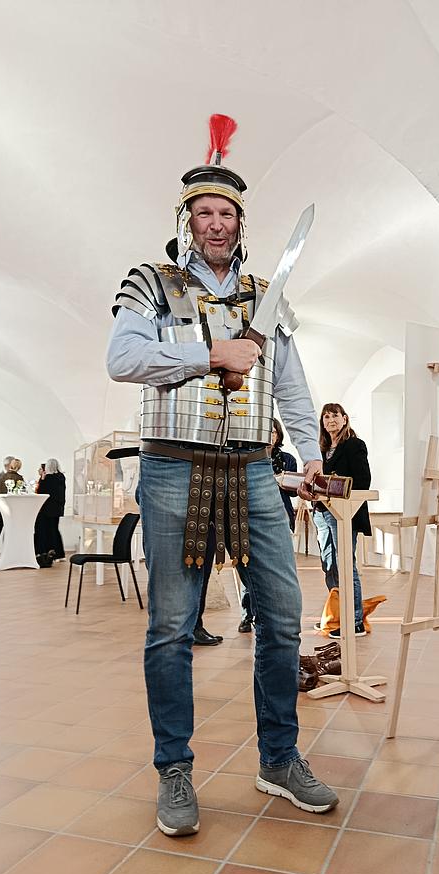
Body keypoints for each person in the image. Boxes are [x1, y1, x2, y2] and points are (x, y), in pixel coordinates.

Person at [106, 114, 338, 836]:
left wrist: (311, 453)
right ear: (188, 219)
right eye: (204, 212)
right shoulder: (151, 283)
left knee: (282, 615)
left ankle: (279, 758)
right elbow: (122, 359)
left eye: (227, 213)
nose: (216, 223)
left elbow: (290, 383)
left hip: (254, 470)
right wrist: (209, 355)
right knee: (172, 626)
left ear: (240, 223)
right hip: (172, 467)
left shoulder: (267, 296)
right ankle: (174, 769)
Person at [313, 403, 372, 638]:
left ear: (345, 419)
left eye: (335, 416)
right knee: (329, 566)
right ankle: (338, 615)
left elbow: (362, 481)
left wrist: (335, 490)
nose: (331, 420)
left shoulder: (355, 445)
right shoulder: (321, 450)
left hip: (344, 513)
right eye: (326, 417)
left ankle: (355, 621)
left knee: (346, 565)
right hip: (321, 512)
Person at [239, 417, 297, 633]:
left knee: (276, 570)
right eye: (266, 432)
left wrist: (282, 481)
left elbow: (294, 490)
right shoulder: (247, 458)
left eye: (273, 432)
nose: (270, 436)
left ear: (278, 435)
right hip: (249, 516)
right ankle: (248, 614)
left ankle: (272, 618)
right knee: (248, 567)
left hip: (281, 515)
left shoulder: (287, 459)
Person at [35, 459, 66, 560]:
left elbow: (41, 491)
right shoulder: (61, 477)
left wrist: (42, 479)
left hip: (47, 509)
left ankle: (47, 552)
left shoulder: (48, 478)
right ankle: (59, 553)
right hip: (57, 508)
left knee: (46, 531)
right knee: (54, 530)